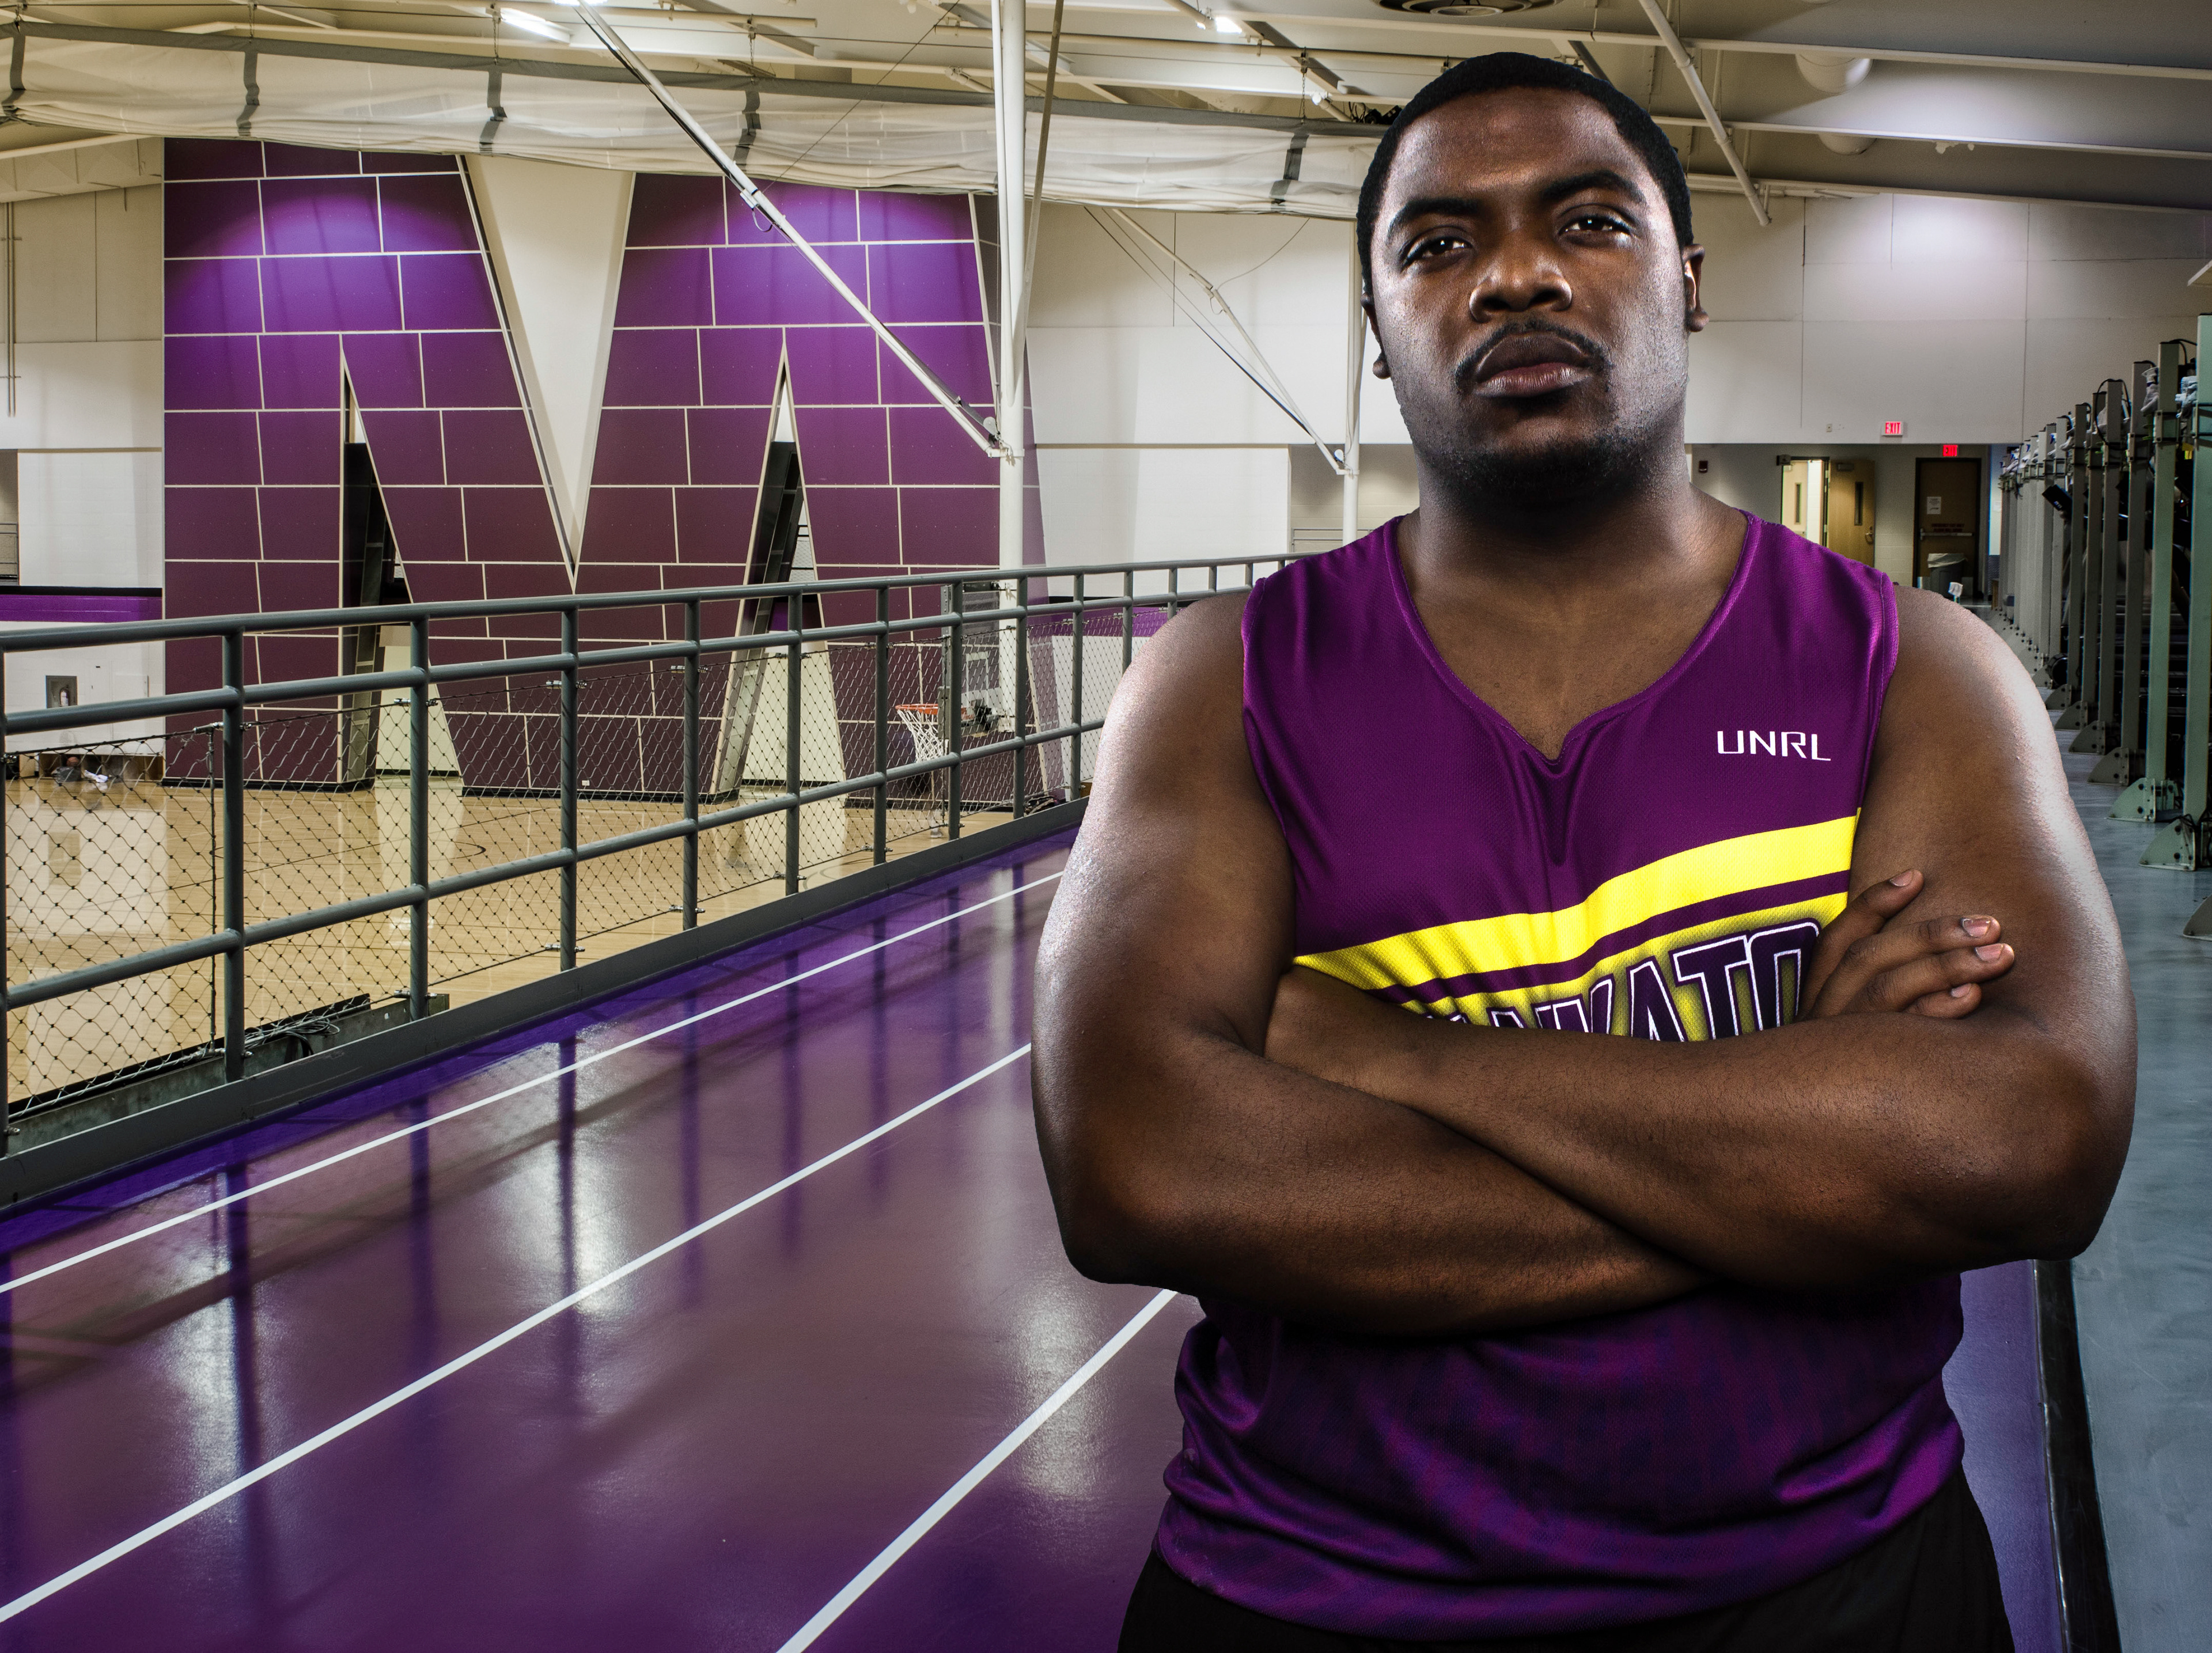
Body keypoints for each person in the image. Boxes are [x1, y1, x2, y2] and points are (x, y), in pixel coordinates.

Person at [1031, 52, 2134, 1653]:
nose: (1517, 274)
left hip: (1842, 1585)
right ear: (1379, 323)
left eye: (1589, 220)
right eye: (1437, 244)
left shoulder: (1917, 665)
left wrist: (1382, 1055)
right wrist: (1805, 1140)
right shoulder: (1224, 679)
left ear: (1685, 285)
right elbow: (1139, 1169)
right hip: (1309, 1594)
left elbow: (2031, 1140)